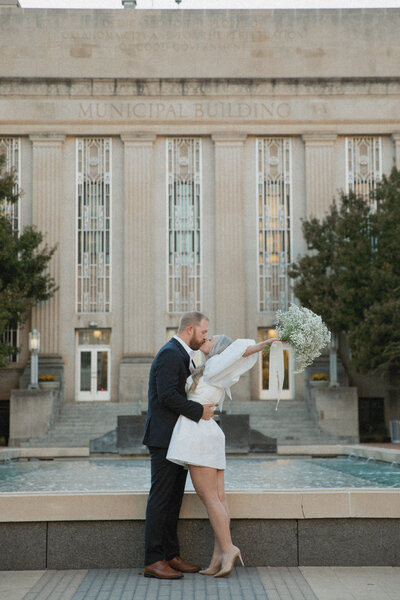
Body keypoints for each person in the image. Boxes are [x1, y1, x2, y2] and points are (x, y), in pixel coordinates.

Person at [167, 334, 279, 578]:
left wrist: (263, 344)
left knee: (209, 498)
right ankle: (218, 555)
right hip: (210, 433)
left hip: (199, 434)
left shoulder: (216, 366)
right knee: (219, 497)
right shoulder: (212, 369)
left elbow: (241, 350)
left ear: (217, 349)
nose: (208, 337)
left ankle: (228, 548)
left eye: (212, 338)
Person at [142, 311, 217, 580]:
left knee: (174, 500)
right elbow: (167, 397)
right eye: (203, 332)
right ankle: (153, 559)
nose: (205, 336)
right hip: (164, 439)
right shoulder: (170, 353)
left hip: (179, 438)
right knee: (161, 498)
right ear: (189, 330)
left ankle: (170, 555)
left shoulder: (184, 355)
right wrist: (200, 411)